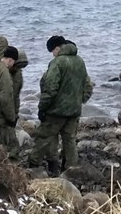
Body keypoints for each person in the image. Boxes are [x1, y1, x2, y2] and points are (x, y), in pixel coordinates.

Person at [35, 35, 93, 174]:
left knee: (45, 137)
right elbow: (87, 84)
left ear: (56, 48)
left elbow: (50, 88)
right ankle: (71, 169)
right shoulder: (80, 61)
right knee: (70, 140)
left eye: (52, 51)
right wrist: (80, 100)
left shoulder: (57, 63)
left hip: (56, 111)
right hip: (74, 110)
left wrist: (42, 108)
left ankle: (37, 163)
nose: (52, 55)